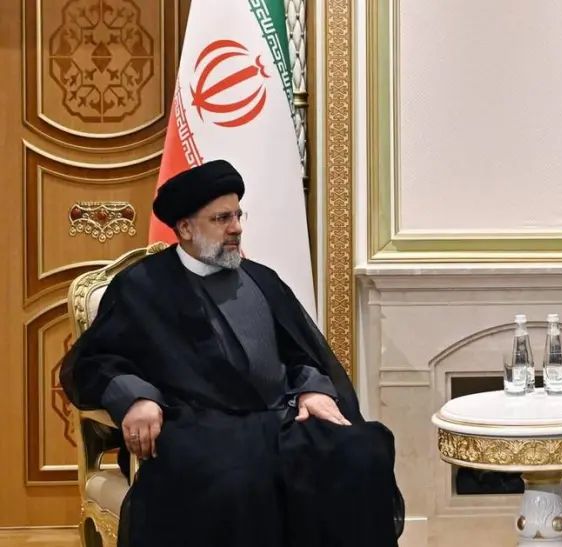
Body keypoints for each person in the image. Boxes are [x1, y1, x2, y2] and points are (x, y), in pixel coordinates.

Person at [61, 160, 404, 547]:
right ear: (185, 228)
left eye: (238, 215)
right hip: (198, 426)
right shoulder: (141, 286)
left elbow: (300, 354)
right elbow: (95, 362)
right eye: (221, 218)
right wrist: (136, 398)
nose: (236, 227)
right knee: (235, 482)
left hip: (281, 417)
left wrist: (312, 388)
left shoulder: (261, 278)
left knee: (361, 453)